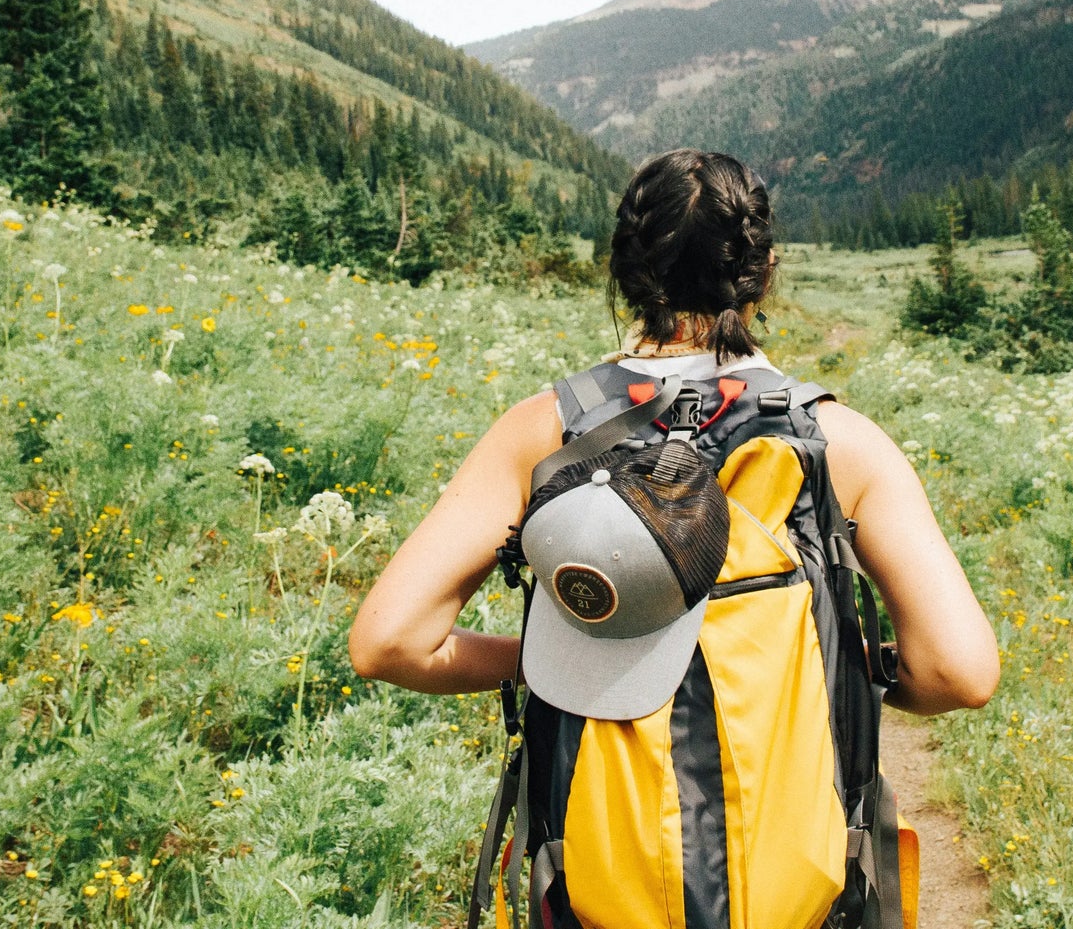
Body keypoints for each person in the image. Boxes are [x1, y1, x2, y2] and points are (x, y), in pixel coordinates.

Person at [350, 148, 997, 926]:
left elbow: (388, 640)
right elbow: (961, 672)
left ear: (624, 271)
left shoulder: (544, 434)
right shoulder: (838, 442)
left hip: (602, 894)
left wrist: (549, 659)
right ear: (762, 272)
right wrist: (854, 668)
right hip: (801, 898)